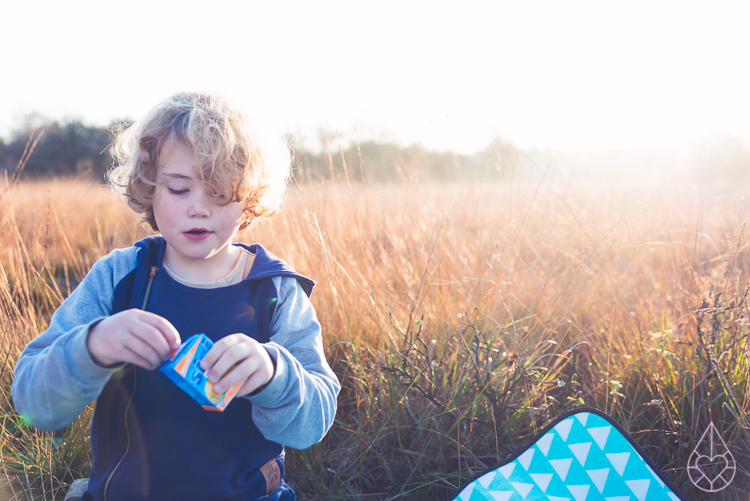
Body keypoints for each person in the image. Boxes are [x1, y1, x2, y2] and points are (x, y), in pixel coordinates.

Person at [11, 92, 340, 501]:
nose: (199, 208)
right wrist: (93, 346)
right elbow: (34, 406)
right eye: (180, 190)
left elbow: (311, 426)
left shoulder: (276, 290)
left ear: (250, 197)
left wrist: (274, 375)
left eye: (220, 192)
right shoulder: (121, 277)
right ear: (149, 189)